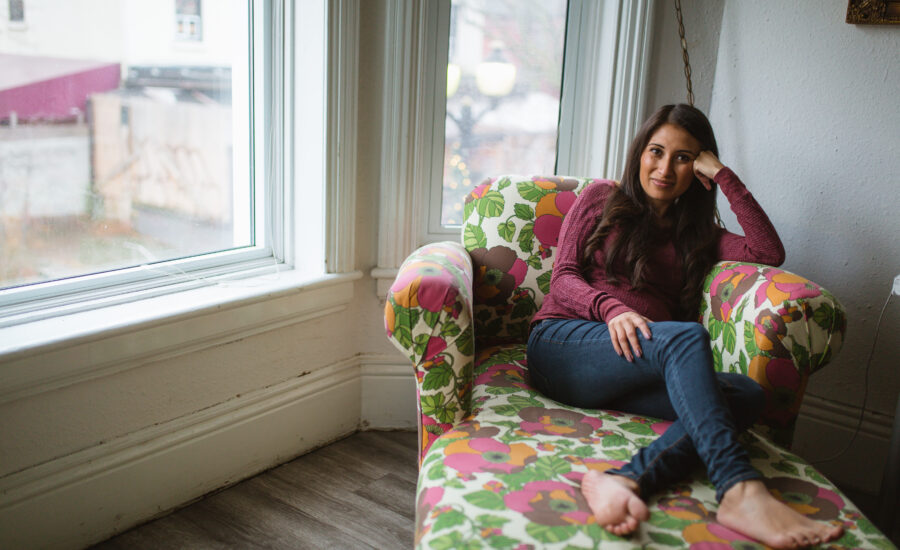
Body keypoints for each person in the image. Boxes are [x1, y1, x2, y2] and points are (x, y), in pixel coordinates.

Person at [526, 104, 843, 548]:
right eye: (656, 151)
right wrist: (611, 310)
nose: (664, 167)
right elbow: (563, 279)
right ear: (639, 152)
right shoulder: (601, 196)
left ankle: (625, 479)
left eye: (682, 158)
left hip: (636, 361)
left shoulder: (699, 234)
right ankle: (739, 487)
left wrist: (725, 176)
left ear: (698, 168)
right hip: (564, 343)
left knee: (746, 394)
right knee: (687, 337)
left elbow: (767, 251)